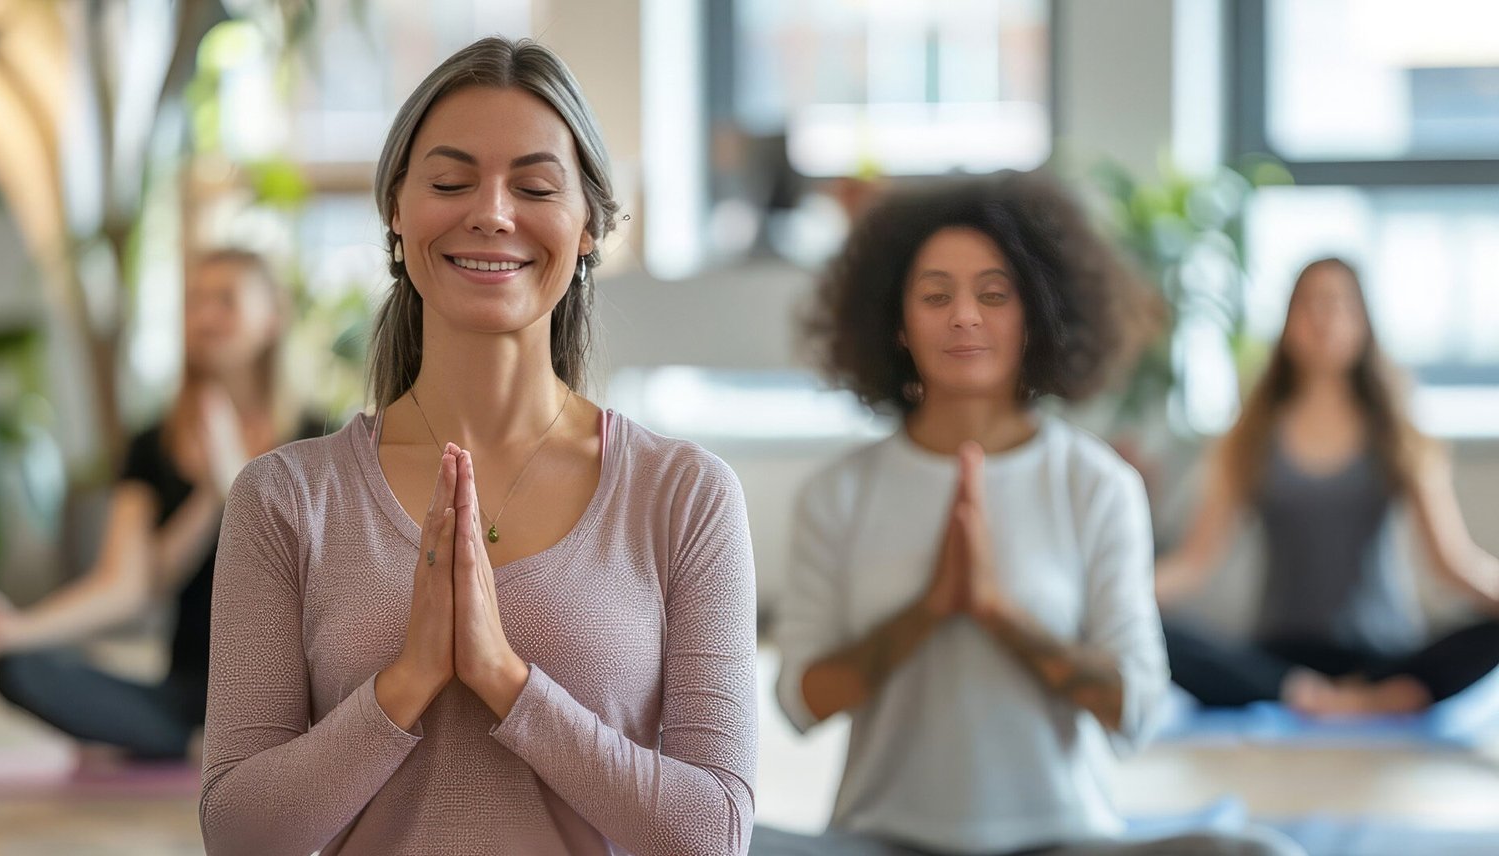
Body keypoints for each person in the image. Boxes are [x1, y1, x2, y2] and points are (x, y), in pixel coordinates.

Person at [197, 37, 757, 856]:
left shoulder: (685, 495)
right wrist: (406, 683)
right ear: (396, 211)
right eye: (451, 182)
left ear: (590, 225)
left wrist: (505, 681)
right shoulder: (285, 497)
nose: (491, 212)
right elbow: (239, 832)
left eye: (533, 186)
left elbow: (714, 834)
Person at [757, 174, 1302, 856]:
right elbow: (799, 702)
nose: (964, 316)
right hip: (879, 841)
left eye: (993, 294)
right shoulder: (840, 494)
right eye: (935, 295)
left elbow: (1134, 711)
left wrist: (998, 614)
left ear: (1035, 315)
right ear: (897, 323)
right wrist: (928, 611)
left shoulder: (1096, 484)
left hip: (1064, 841)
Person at [0, 248, 321, 761]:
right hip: (192, 693)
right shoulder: (153, 444)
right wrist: (12, 628)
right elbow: (130, 585)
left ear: (272, 318)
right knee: (19, 667)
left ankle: (245, 740)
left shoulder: (320, 436)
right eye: (195, 302)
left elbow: (324, 585)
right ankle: (199, 740)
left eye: (226, 300)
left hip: (297, 693)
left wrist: (238, 484)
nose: (205, 316)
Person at [1155, 257, 1499, 716]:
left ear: (1363, 323)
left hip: (1384, 656)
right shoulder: (1252, 435)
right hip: (1279, 662)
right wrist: (1112, 595)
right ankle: (1323, 698)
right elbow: (1193, 564)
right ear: (1287, 323)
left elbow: (1452, 562)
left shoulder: (1397, 431)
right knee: (1152, 629)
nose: (1324, 320)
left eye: (1339, 305)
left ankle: (1361, 695)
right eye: (1309, 305)